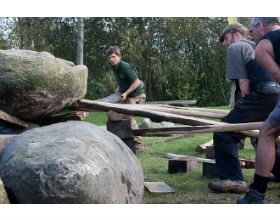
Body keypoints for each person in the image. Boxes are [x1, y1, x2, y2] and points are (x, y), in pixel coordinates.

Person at [208, 23, 280, 194]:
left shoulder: (236, 47)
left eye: (225, 39)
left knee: (224, 131)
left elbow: (244, 82)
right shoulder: (260, 45)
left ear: (236, 34)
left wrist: (243, 107)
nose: (225, 44)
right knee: (265, 135)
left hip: (261, 94)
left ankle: (234, 179)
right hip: (276, 93)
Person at [238, 17, 280, 204]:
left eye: (252, 30)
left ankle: (257, 194)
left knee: (266, 133)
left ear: (261, 26)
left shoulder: (264, 45)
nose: (251, 35)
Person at [106, 46, 146, 153]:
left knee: (130, 119)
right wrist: (118, 90)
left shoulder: (125, 66)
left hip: (136, 96)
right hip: (128, 96)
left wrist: (126, 92)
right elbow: (121, 81)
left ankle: (138, 146)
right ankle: (125, 142)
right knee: (119, 117)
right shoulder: (115, 67)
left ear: (119, 56)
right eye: (109, 57)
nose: (111, 59)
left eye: (113, 57)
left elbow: (137, 82)